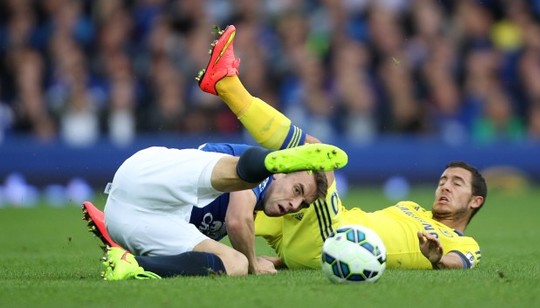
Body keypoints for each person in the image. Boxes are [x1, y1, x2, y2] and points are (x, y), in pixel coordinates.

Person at [195, 25, 486, 270]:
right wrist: (287, 261)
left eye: (457, 183)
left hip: (333, 236)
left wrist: (437, 261)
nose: (445, 187)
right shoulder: (411, 207)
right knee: (256, 195)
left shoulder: (465, 244)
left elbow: (457, 262)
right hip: (319, 235)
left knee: (316, 156)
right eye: (443, 180)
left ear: (475, 201)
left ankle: (227, 85)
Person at [83, 134, 348, 280]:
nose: (294, 205)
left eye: (303, 203)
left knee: (235, 264)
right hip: (146, 178)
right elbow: (236, 220)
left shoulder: (263, 207)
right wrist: (255, 263)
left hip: (129, 222)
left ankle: (131, 262)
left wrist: (275, 261)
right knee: (244, 175)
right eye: (297, 190)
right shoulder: (259, 181)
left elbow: (244, 238)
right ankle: (271, 160)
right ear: (283, 174)